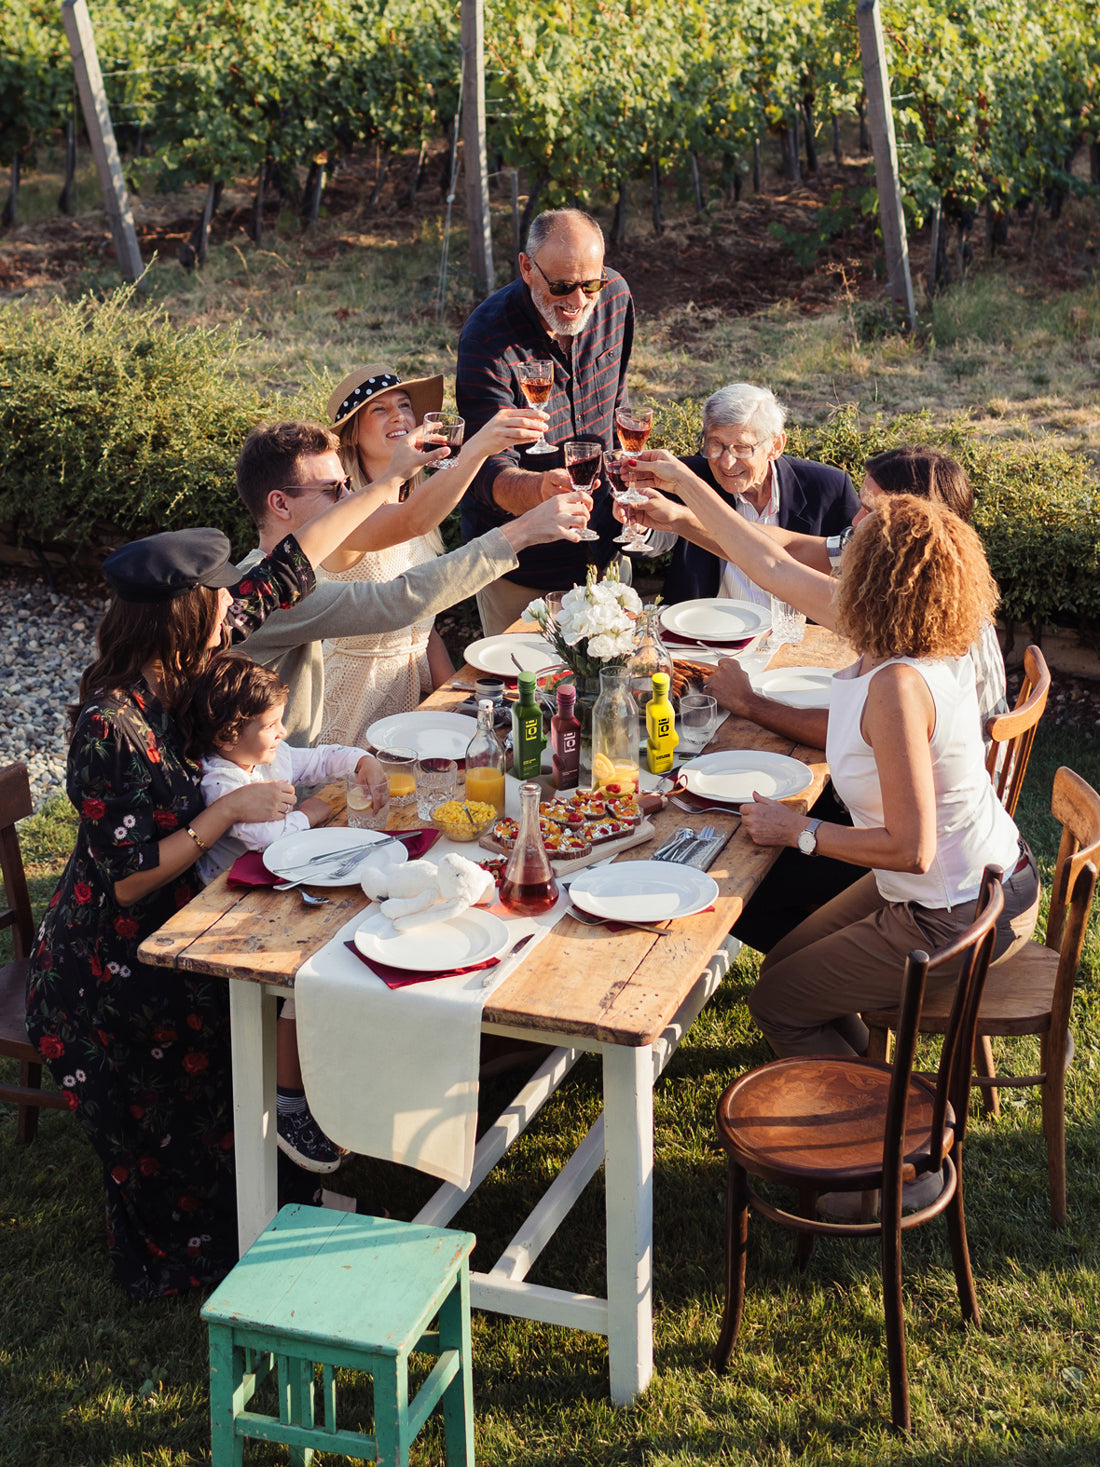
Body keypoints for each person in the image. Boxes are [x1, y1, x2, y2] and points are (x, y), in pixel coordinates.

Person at [23, 490, 412, 1298]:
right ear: (184, 612)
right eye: (220, 595)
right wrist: (229, 810)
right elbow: (129, 877)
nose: (236, 601)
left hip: (197, 922)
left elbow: (291, 569)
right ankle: (208, 1251)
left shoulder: (189, 662)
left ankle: (278, 1199)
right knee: (224, 1069)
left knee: (291, 991)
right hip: (115, 967)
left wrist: (387, 483)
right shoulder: (111, 727)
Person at [734, 495, 1039, 1059]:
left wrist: (798, 832)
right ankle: (864, 1074)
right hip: (981, 878)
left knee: (775, 1002)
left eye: (856, 541)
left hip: (957, 911)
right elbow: (772, 568)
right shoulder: (911, 648)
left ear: (875, 577)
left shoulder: (897, 688)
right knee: (781, 966)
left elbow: (911, 849)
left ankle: (878, 1127)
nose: (842, 543)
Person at [233, 420, 590, 744]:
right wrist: (523, 530)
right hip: (292, 781)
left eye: (346, 485)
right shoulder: (265, 594)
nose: (347, 498)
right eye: (332, 490)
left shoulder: (282, 578)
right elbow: (399, 600)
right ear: (280, 504)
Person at [186, 651, 385, 1174]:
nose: (281, 734)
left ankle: (328, 1072)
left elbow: (316, 760)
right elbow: (267, 841)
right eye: (270, 725)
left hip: (280, 892)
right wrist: (312, 813)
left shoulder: (268, 757)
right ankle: (288, 1097)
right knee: (308, 973)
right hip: (236, 909)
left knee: (352, 934)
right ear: (229, 735)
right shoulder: (223, 783)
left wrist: (359, 761)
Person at [318, 365, 554, 745]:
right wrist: (481, 444)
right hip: (352, 706)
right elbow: (409, 522)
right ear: (352, 437)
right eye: (378, 410)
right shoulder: (341, 513)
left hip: (410, 704)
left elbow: (423, 628)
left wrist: (456, 704)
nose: (398, 416)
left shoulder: (419, 502)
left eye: (404, 405)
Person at [455, 207, 636, 636]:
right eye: (561, 285)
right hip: (524, 568)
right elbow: (482, 467)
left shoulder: (616, 297)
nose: (578, 300)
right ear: (526, 268)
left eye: (590, 283)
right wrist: (537, 490)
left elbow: (619, 404)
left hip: (608, 551)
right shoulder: (488, 337)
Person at [659, 383, 858, 607]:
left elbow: (855, 571)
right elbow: (654, 541)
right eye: (715, 445)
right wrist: (636, 522)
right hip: (705, 631)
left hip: (794, 635)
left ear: (776, 445)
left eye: (741, 448)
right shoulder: (689, 477)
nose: (726, 462)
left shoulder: (828, 488)